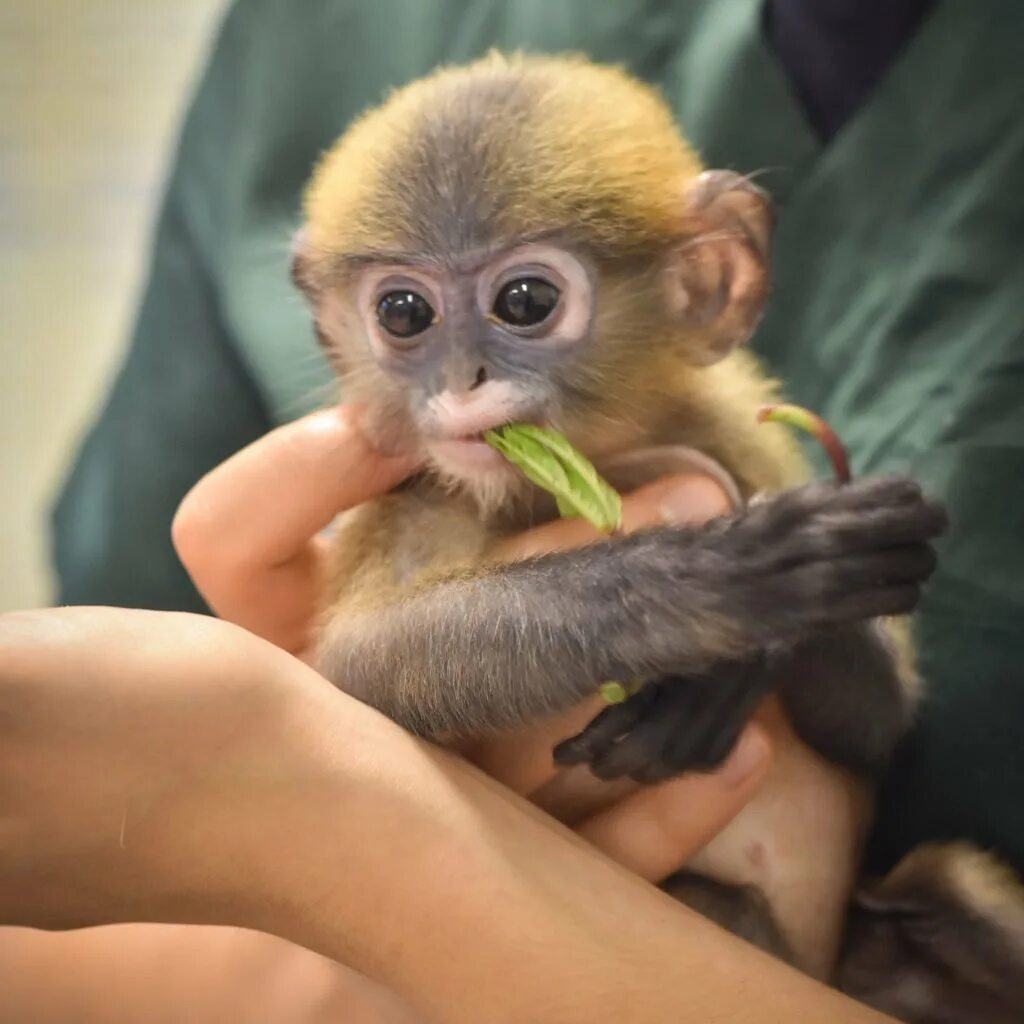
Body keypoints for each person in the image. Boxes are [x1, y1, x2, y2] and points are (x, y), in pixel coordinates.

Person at [12, 0, 1024, 1016]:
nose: (463, 382)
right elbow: (374, 661)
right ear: (330, 326)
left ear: (706, 280)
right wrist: (698, 589)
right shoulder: (306, 43)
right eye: (405, 314)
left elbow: (870, 711)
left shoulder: (726, 434)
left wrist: (778, 620)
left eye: (527, 303)